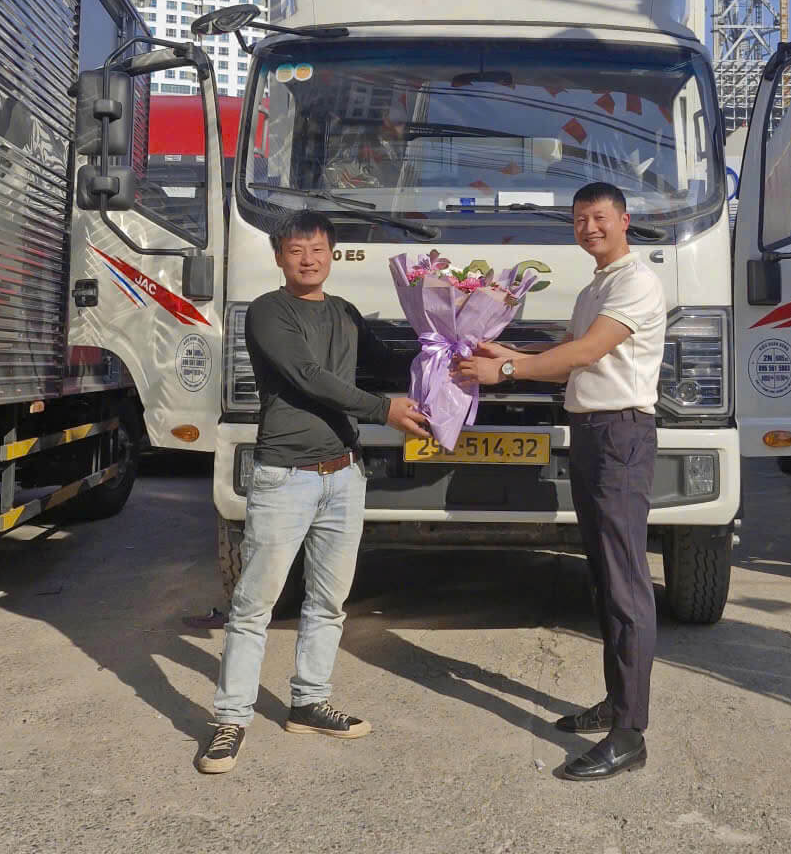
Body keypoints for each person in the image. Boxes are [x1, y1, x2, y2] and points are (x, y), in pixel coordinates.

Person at [196, 210, 430, 774]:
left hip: (344, 475)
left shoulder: (345, 313)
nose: (309, 259)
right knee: (254, 605)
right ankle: (230, 718)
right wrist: (383, 411)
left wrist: (448, 359)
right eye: (297, 250)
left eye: (319, 249)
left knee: (328, 602)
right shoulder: (268, 312)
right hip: (286, 477)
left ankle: (309, 702)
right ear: (279, 256)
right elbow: (307, 376)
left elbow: (385, 364)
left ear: (333, 254)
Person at [457, 181, 666, 781]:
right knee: (604, 575)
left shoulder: (635, 282)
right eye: (579, 220)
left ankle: (629, 734)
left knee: (625, 582)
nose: (589, 228)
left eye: (599, 217)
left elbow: (585, 354)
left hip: (621, 435)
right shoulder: (597, 285)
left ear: (624, 219)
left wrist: (505, 369)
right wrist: (505, 349)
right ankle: (617, 702)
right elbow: (566, 354)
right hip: (594, 434)